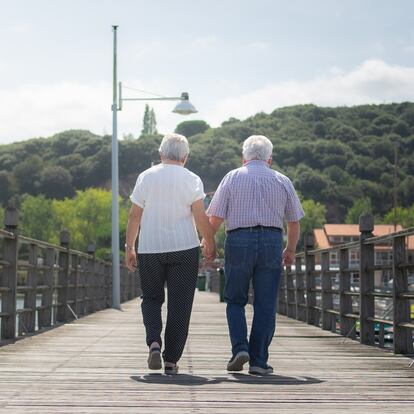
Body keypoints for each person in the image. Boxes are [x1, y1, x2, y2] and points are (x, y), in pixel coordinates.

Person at [206, 135, 304, 375]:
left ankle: (240, 348)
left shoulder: (232, 177)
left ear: (244, 158)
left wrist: (208, 244)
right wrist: (290, 249)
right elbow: (293, 222)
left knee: (235, 300)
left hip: (239, 239)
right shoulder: (282, 180)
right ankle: (259, 361)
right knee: (265, 303)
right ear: (269, 158)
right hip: (272, 240)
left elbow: (215, 219)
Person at [125, 133, 216, 375]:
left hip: (150, 247)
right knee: (180, 304)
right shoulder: (192, 179)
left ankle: (154, 342)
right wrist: (210, 241)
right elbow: (200, 216)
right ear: (185, 157)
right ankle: (171, 360)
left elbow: (134, 215)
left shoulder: (146, 177)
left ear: (161, 154)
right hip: (184, 248)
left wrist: (129, 247)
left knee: (152, 298)